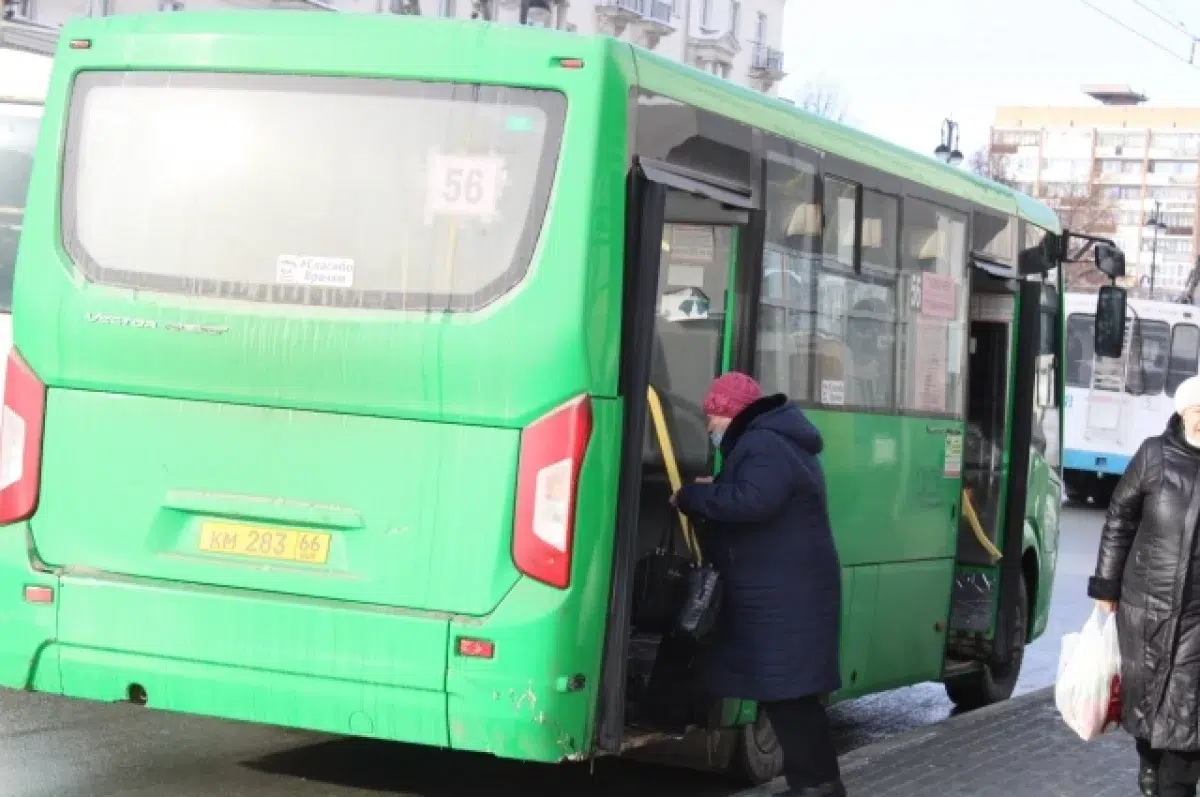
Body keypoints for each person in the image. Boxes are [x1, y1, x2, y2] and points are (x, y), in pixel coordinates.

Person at [671, 371, 845, 797]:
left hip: (785, 599)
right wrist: (721, 487)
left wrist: (693, 498)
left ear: (733, 414)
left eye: (714, 417)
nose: (710, 426)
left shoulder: (762, 443)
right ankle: (816, 783)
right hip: (786, 594)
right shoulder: (774, 441)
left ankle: (818, 785)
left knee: (789, 698)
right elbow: (760, 493)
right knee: (790, 697)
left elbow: (753, 500)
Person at [1090, 373, 1200, 797]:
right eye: (1196, 411)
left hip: (1195, 619)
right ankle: (1148, 761)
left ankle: (1175, 782)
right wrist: (1106, 588)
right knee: (1146, 702)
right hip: (1145, 608)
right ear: (1182, 413)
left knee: (1185, 719)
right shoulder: (1154, 455)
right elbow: (1120, 517)